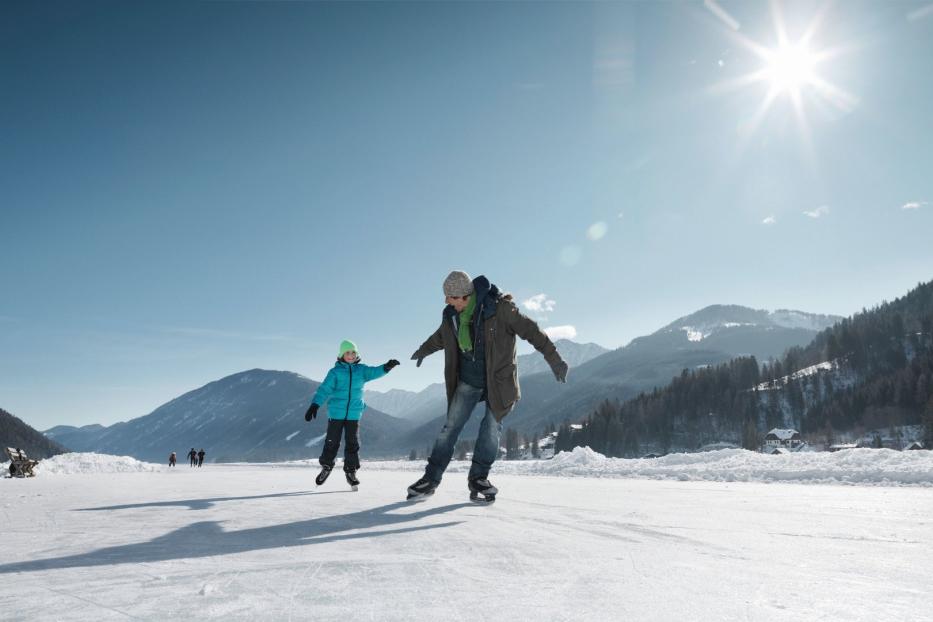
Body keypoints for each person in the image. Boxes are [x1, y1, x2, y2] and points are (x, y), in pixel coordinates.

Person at [406, 271, 568, 503]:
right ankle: (430, 480)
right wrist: (424, 349)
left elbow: (533, 332)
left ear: (463, 296)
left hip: (498, 382)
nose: (446, 301)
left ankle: (478, 478)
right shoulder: (451, 315)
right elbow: (441, 337)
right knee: (450, 428)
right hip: (468, 380)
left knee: (491, 428)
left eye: (450, 297)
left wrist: (555, 360)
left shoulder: (500, 309)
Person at [304, 340, 400, 489]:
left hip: (354, 414)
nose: (350, 355)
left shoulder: (361, 370)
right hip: (336, 412)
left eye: (353, 352)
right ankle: (327, 467)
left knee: (352, 443)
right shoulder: (335, 372)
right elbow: (325, 389)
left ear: (357, 355)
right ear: (342, 355)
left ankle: (351, 471)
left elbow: (375, 372)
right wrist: (315, 404)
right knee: (332, 441)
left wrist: (386, 367)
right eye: (347, 352)